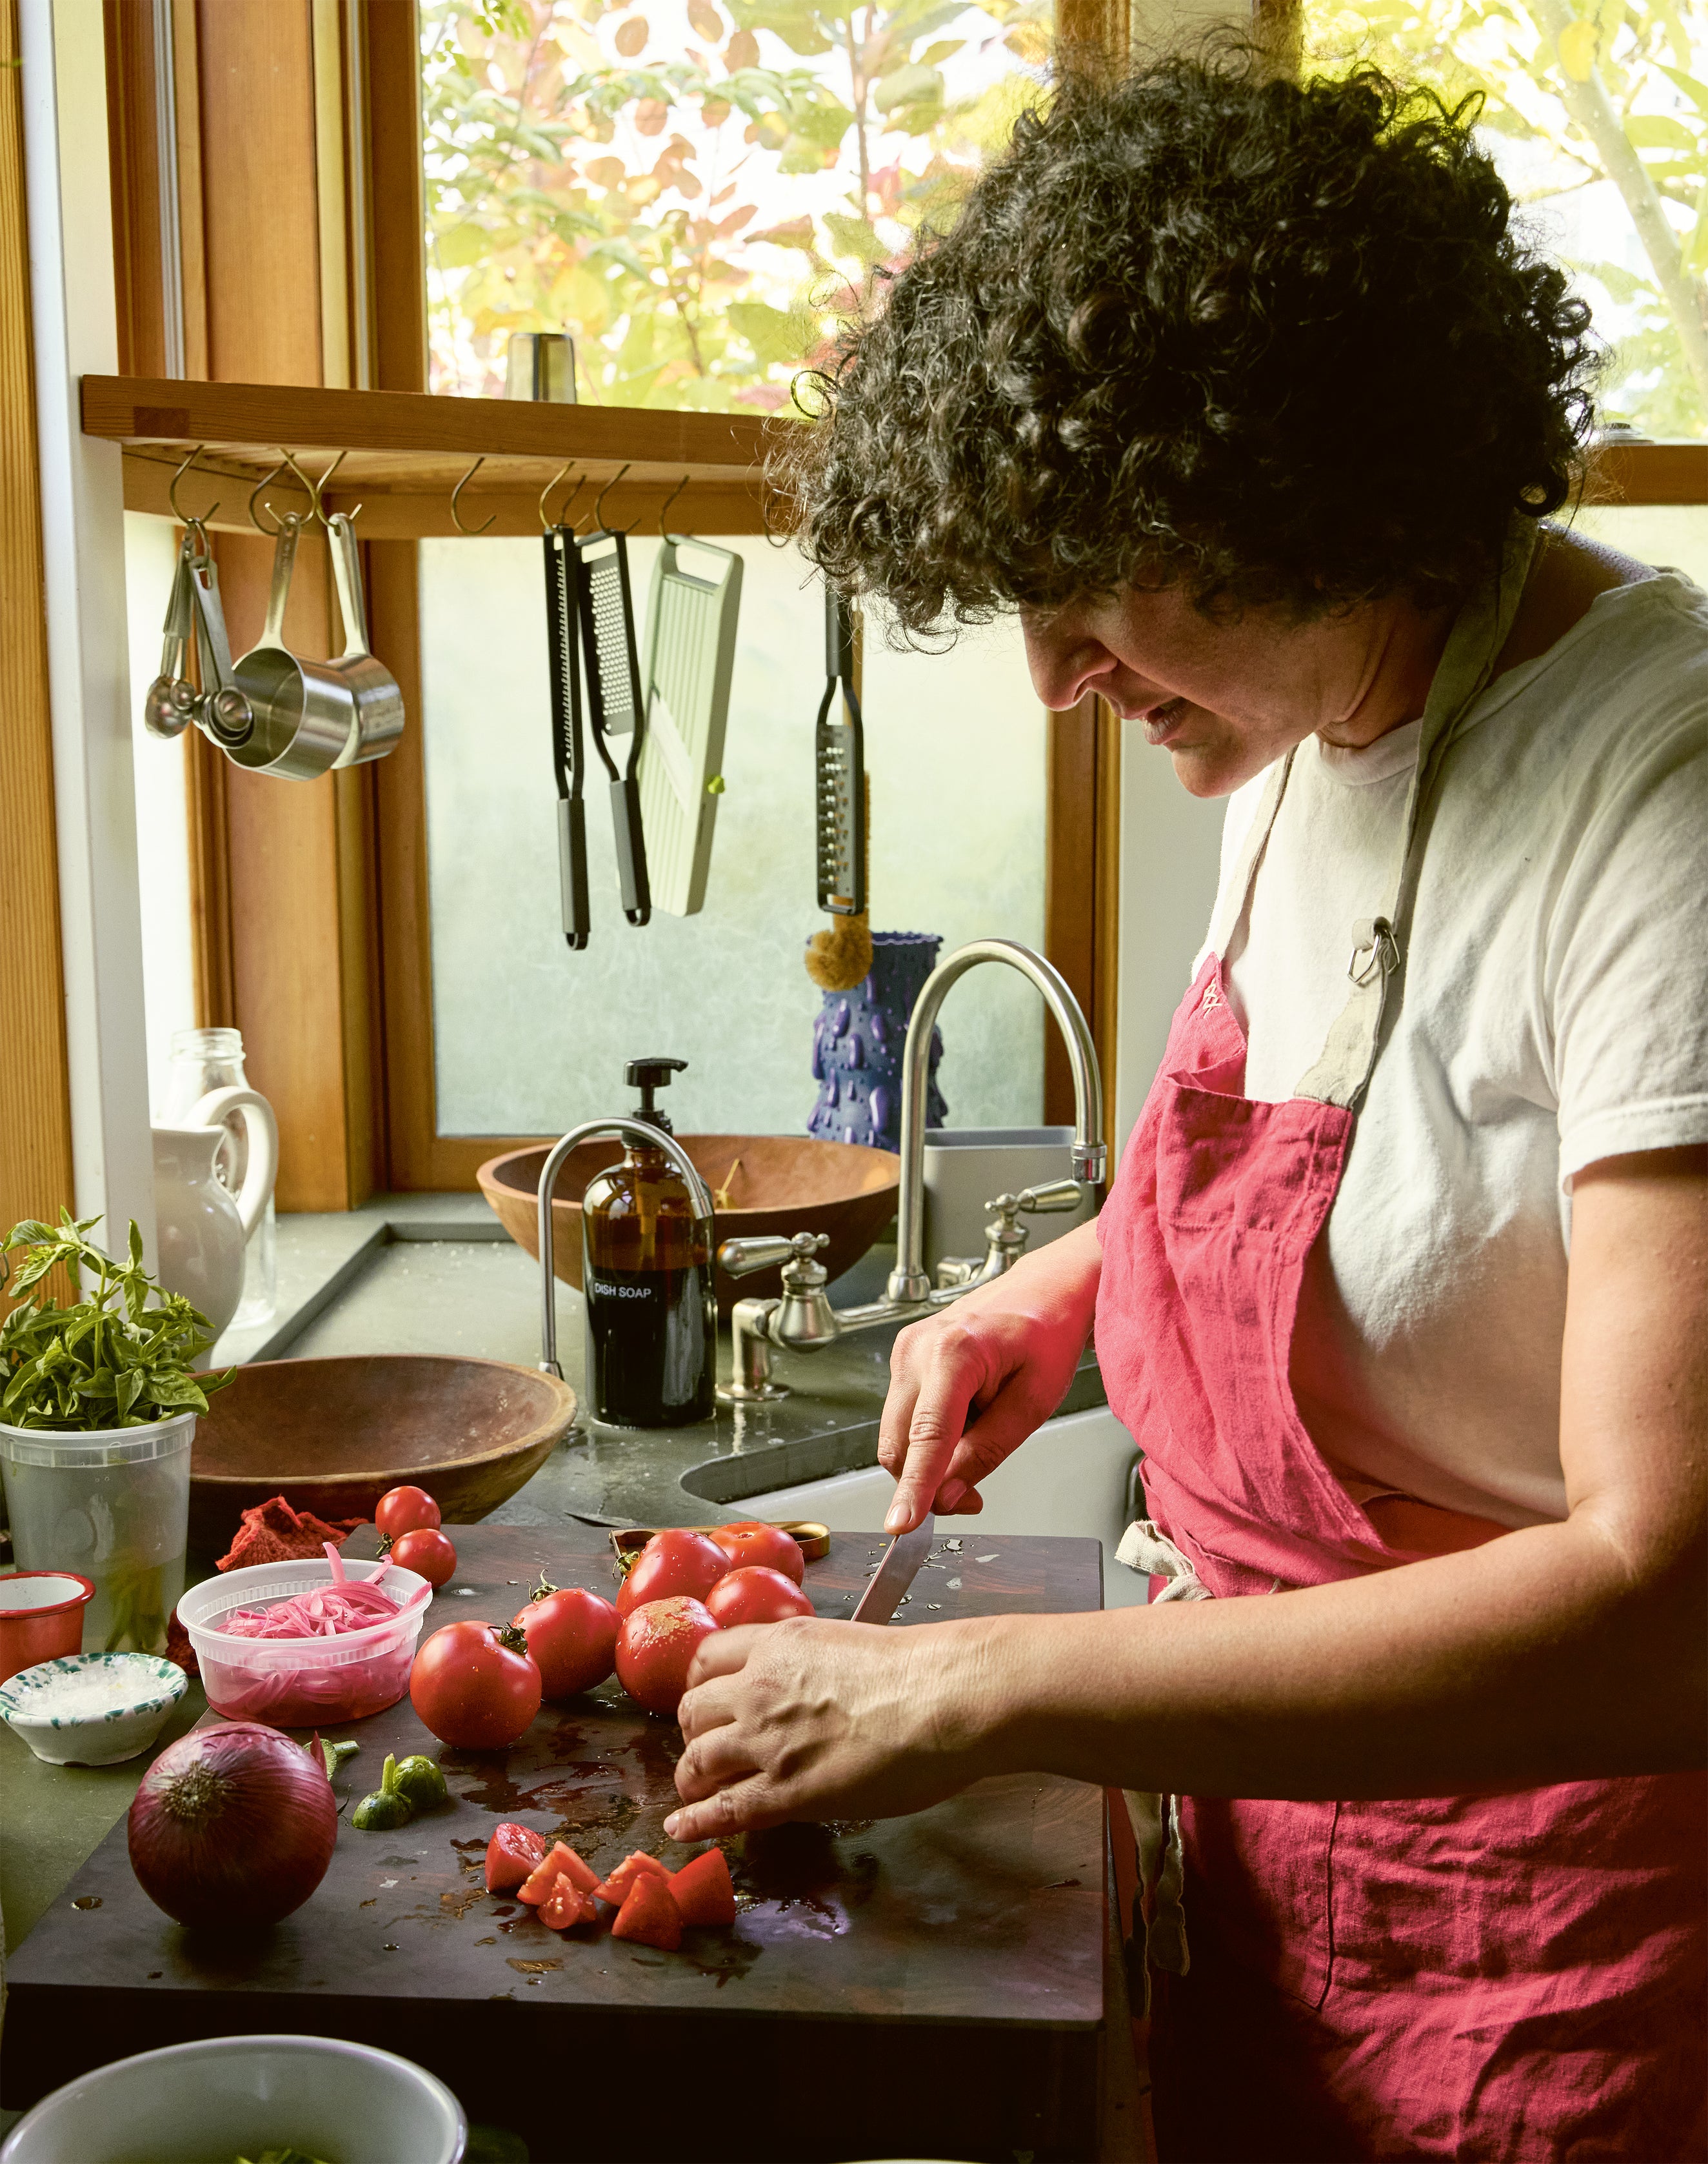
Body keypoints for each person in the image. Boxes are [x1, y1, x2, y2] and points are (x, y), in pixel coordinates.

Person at [662, 50, 1707, 2162]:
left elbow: (1667, 1598)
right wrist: (1059, 1295)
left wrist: (977, 1687)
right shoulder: (1301, 729)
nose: (1055, 677)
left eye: (1093, 590)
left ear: (1303, 493)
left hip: (1553, 1958)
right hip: (1263, 1863)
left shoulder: (1655, 793)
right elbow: (1382, 1191)